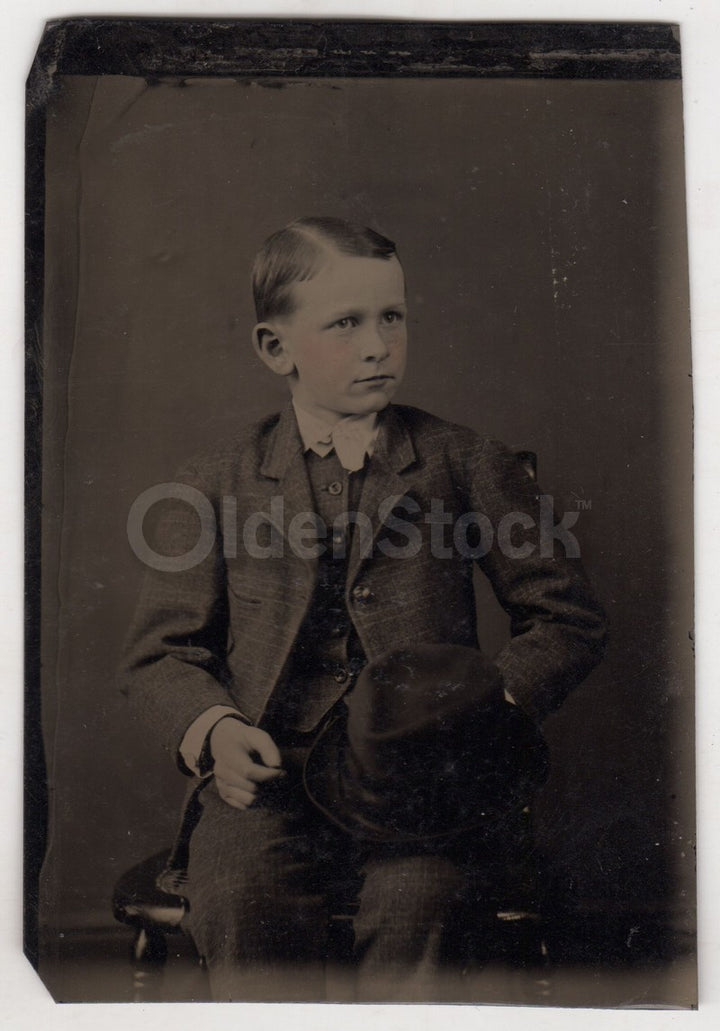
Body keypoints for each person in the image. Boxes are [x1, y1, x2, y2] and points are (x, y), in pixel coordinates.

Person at [121, 216, 606, 1002]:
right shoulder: (215, 479)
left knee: (423, 902)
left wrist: (484, 706)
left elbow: (566, 616)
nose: (378, 344)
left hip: (425, 785)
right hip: (270, 775)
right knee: (242, 896)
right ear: (275, 348)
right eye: (345, 324)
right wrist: (217, 732)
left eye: (392, 317)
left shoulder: (464, 461)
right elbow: (160, 654)